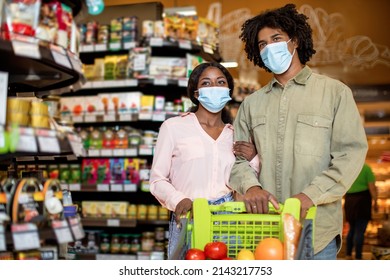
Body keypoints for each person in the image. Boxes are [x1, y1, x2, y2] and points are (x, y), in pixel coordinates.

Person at [229, 3, 368, 260]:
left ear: (294, 41)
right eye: (262, 44)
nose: (269, 47)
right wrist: (250, 188)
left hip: (316, 231)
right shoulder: (251, 104)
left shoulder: (335, 93)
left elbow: (350, 155)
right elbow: (237, 160)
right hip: (264, 231)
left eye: (276, 39)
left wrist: (309, 195)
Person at [149, 62, 259, 259]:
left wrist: (253, 158)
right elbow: (157, 180)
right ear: (197, 93)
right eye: (207, 83)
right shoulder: (173, 127)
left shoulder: (235, 135)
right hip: (189, 216)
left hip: (229, 220)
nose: (215, 87)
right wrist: (178, 199)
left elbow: (248, 179)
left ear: (228, 91)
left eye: (220, 82)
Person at [344, 163, 377, 260]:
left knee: (352, 229)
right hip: (362, 200)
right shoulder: (366, 168)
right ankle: (358, 256)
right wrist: (375, 201)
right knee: (360, 230)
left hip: (349, 200)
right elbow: (372, 187)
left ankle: (348, 254)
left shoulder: (348, 168)